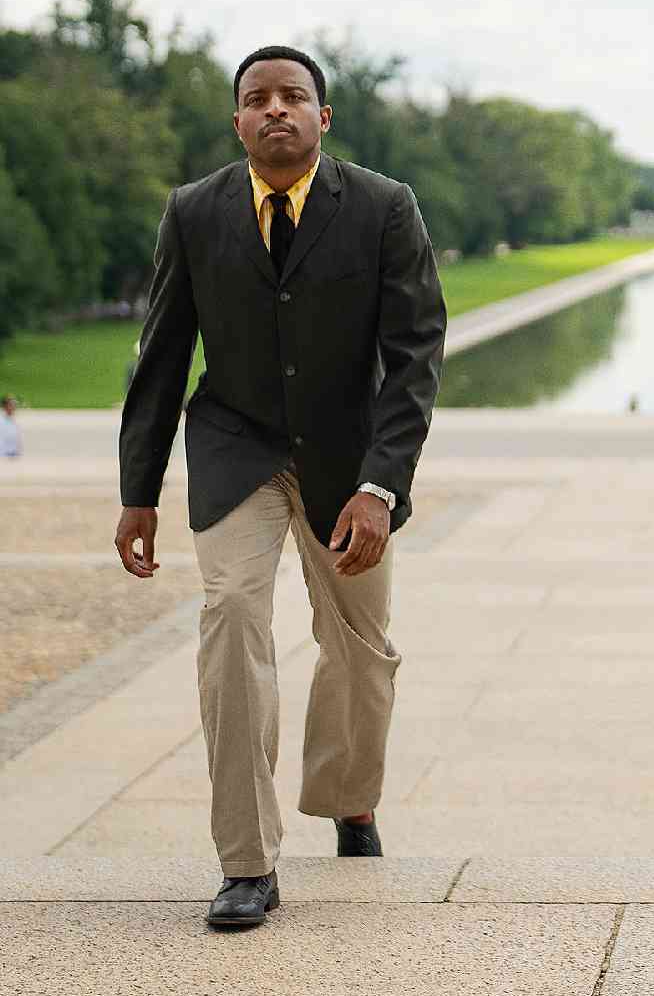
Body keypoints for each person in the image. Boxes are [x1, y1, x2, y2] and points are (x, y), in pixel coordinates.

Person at [116, 46, 447, 930]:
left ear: (322, 117)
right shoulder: (193, 213)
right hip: (236, 449)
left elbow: (416, 357)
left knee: (360, 648)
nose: (276, 109)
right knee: (230, 618)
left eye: (292, 96)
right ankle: (247, 861)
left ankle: (349, 797)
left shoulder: (384, 208)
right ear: (238, 122)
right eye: (257, 99)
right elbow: (159, 357)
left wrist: (381, 486)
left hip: (350, 460)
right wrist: (138, 489)